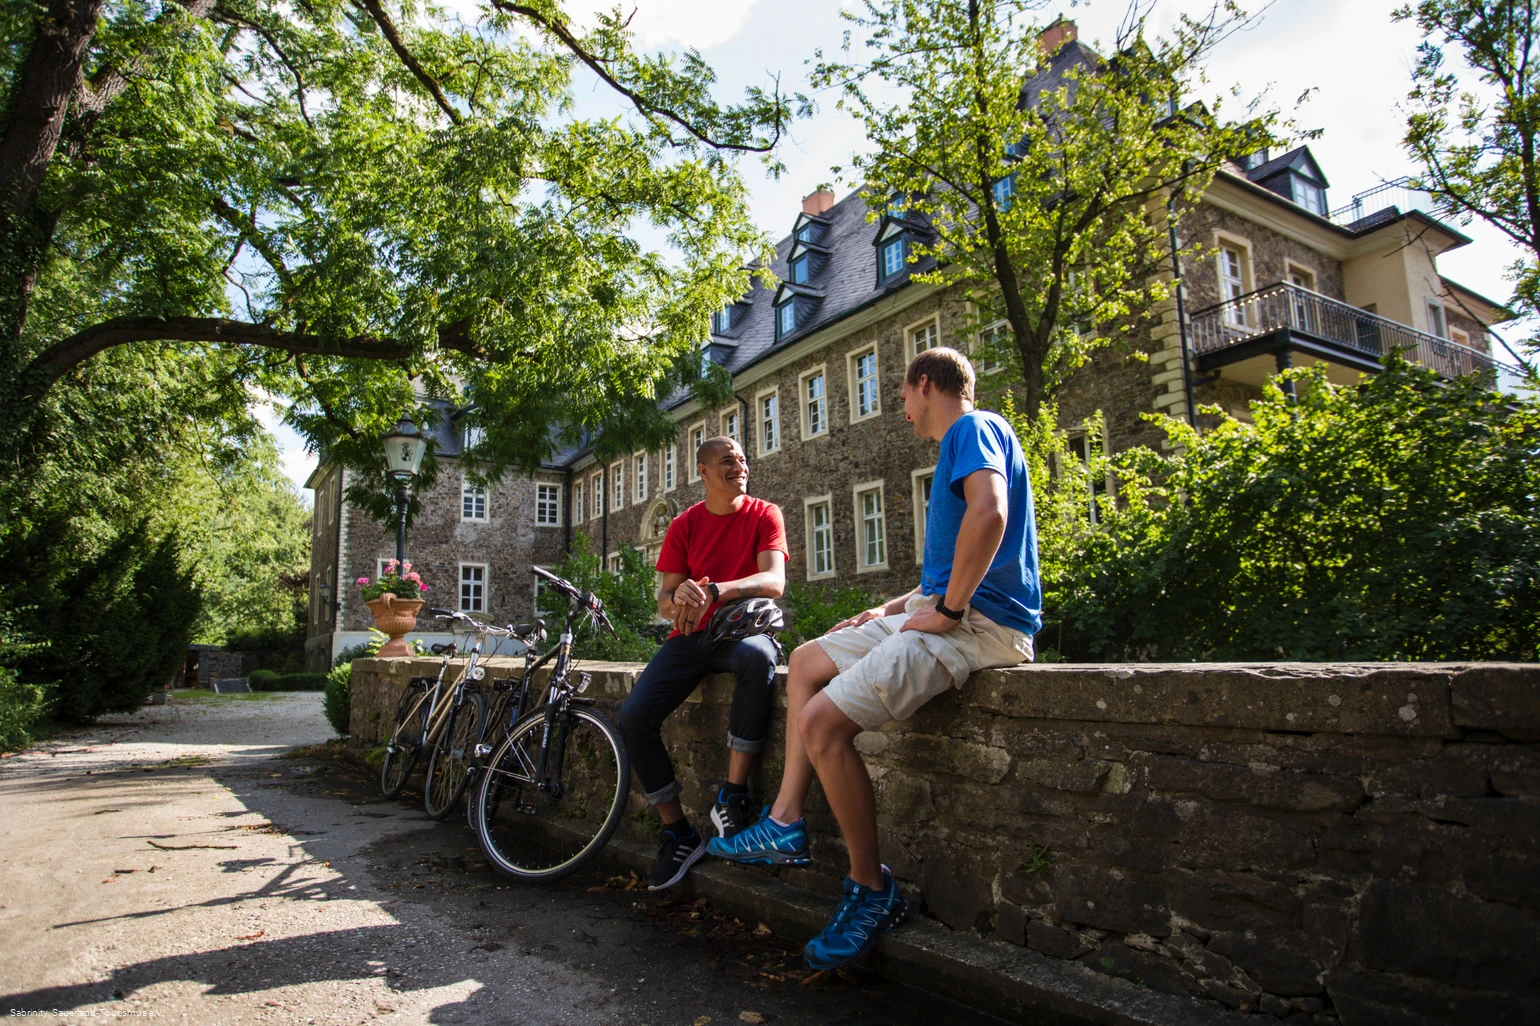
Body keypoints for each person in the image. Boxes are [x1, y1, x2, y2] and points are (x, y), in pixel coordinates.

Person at [707, 347, 1041, 970]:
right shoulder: (963, 444)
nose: (903, 412)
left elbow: (991, 516)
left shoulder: (973, 427)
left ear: (924, 384)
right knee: (805, 661)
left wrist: (943, 612)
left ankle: (871, 887)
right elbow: (952, 561)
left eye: (903, 398)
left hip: (978, 625)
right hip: (945, 609)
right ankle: (784, 822)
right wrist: (891, 608)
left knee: (821, 724)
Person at [618, 435, 788, 891]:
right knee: (633, 717)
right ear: (704, 472)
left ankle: (733, 797)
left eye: (743, 459)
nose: (740, 466)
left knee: (759, 657)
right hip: (691, 637)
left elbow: (774, 581)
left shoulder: (765, 514)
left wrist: (717, 589)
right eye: (727, 461)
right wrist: (682, 597)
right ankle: (678, 832)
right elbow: (664, 601)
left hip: (742, 632)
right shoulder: (685, 525)